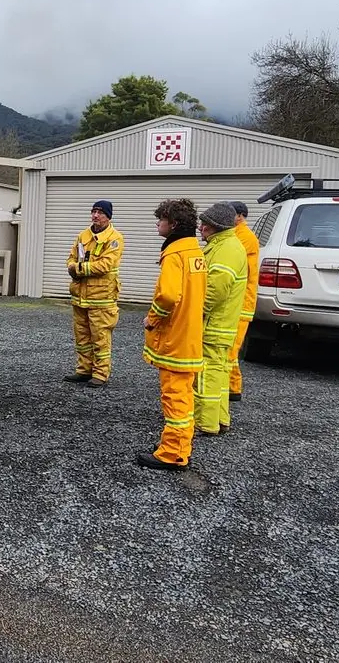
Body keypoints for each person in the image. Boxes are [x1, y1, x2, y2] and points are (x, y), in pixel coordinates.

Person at [137, 198, 207, 471]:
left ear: (173, 224)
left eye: (161, 219)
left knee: (174, 396)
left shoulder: (174, 255)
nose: (157, 223)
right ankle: (179, 446)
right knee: (184, 396)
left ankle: (172, 454)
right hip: (189, 335)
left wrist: (152, 319)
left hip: (175, 338)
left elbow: (167, 295)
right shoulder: (195, 253)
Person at [195, 202, 248, 436]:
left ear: (214, 226)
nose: (200, 228)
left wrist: (196, 313)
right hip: (221, 325)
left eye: (204, 224)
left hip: (214, 326)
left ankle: (205, 424)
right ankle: (220, 420)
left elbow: (215, 290)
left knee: (208, 375)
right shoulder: (226, 245)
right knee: (219, 374)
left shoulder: (226, 249)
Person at [64, 200, 125, 387]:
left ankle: (100, 373)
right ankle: (84, 370)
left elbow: (105, 265)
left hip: (102, 299)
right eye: (93, 211)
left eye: (100, 212)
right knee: (82, 337)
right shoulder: (83, 235)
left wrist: (78, 268)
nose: (95, 215)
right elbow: (71, 259)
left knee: (100, 338)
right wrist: (72, 266)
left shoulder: (114, 238)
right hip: (80, 297)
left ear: (108, 216)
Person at [226, 201, 260, 403]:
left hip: (241, 302)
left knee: (230, 347)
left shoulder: (244, 238)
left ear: (240, 215)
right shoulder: (238, 235)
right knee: (229, 347)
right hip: (237, 301)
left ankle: (232, 387)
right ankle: (231, 387)